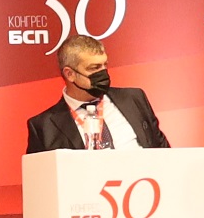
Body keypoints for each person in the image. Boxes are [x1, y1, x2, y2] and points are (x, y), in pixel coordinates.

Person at [25, 34, 169, 154]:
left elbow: (164, 153)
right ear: (70, 74)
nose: (103, 73)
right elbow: (40, 176)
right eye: (94, 68)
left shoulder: (134, 99)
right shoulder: (44, 127)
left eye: (105, 65)